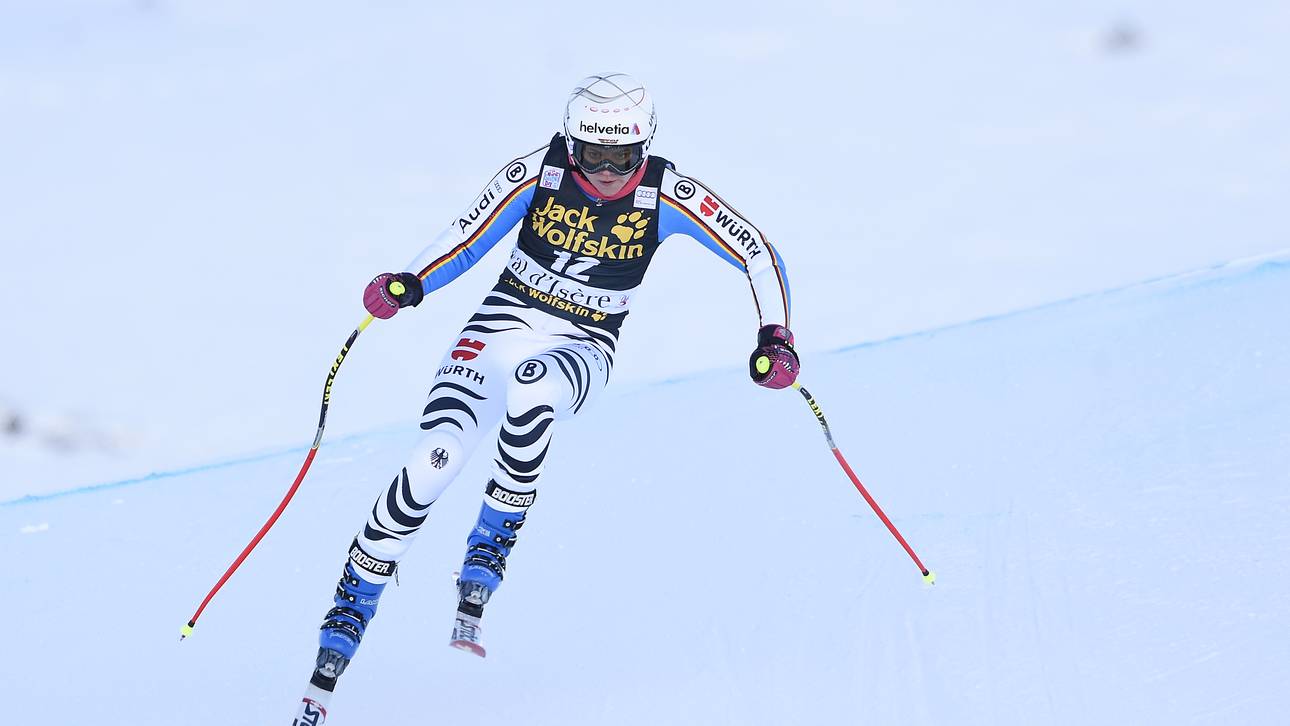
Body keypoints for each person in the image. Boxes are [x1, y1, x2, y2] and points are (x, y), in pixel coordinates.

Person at [294, 72, 799, 723]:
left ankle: (492, 539)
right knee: (432, 464)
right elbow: (468, 234)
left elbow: (757, 252)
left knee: (533, 393)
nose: (609, 173)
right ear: (571, 142)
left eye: (623, 158)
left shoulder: (668, 192)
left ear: (645, 148)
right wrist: (409, 282)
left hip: (584, 342)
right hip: (500, 323)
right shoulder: (539, 172)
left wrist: (775, 335)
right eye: (593, 155)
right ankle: (347, 613)